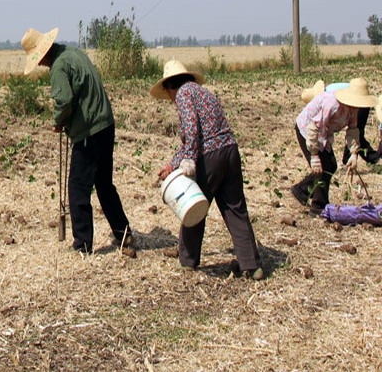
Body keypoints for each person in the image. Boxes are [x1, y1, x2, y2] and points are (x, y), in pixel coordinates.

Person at [21, 27, 131, 254]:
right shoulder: (74, 53)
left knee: (78, 187)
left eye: (39, 59)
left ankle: (82, 244)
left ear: (44, 53)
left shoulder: (59, 66)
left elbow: (64, 100)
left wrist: (58, 121)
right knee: (104, 185)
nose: (40, 64)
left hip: (89, 131)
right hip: (105, 124)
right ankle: (123, 233)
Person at [152, 60, 262, 280]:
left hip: (210, 156)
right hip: (230, 151)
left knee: (193, 204)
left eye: (168, 94)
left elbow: (192, 129)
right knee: (235, 208)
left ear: (170, 86)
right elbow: (196, 135)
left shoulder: (183, 94)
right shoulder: (203, 93)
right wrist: (172, 165)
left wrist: (188, 160)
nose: (171, 99)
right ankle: (252, 265)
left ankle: (187, 261)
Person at [291, 78, 378, 216]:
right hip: (307, 130)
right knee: (322, 168)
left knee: (331, 165)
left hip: (323, 132)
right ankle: (318, 207)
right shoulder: (332, 105)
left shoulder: (353, 108)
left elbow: (353, 130)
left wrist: (354, 153)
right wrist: (314, 156)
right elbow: (313, 128)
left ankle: (302, 190)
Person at [301, 80, 379, 164]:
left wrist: (353, 153)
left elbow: (353, 129)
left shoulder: (331, 101)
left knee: (359, 133)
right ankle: (363, 157)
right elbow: (316, 128)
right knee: (328, 166)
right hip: (359, 100)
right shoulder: (330, 98)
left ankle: (361, 157)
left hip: (360, 100)